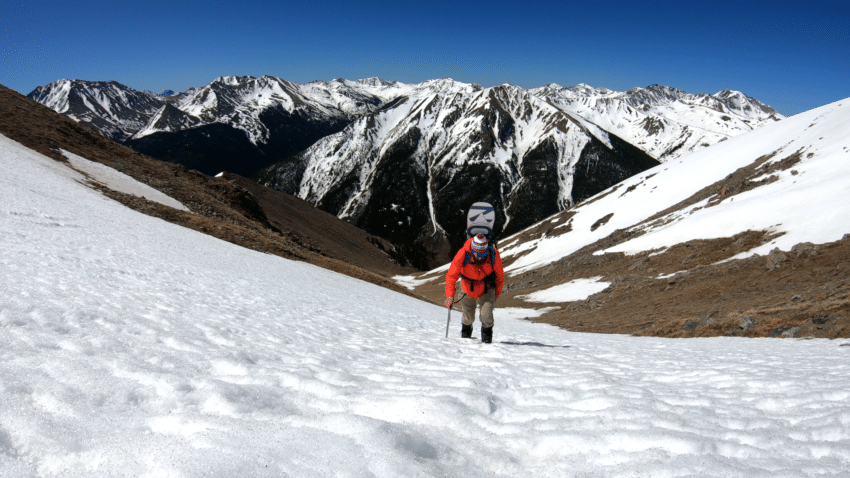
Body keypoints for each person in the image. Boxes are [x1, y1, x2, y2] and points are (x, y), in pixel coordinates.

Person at [444, 233, 505, 343]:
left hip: (486, 288)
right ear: (473, 250)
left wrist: (496, 294)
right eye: (478, 254)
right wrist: (449, 296)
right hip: (467, 288)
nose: (480, 257)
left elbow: (499, 276)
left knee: (486, 316)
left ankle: (487, 340)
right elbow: (451, 276)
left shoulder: (493, 253)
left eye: (483, 254)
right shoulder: (463, 253)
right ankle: (465, 338)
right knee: (468, 318)